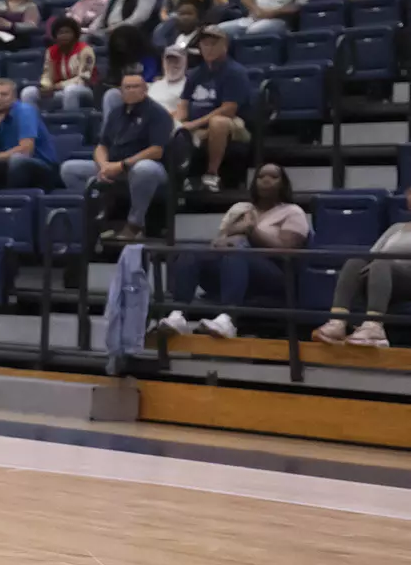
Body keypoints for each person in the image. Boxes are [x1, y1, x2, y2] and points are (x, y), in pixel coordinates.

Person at [158, 165, 309, 338]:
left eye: (273, 177)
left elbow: (286, 250)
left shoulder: (293, 211)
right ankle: (178, 314)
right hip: (232, 266)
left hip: (273, 275)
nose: (266, 180)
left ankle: (227, 319)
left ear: (283, 183)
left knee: (237, 253)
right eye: (261, 177)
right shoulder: (242, 209)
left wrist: (251, 232)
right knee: (192, 251)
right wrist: (226, 238)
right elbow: (219, 241)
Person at [60, 72, 171, 241]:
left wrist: (122, 165)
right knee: (69, 170)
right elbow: (101, 145)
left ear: (145, 90)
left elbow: (156, 150)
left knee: (144, 169)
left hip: (149, 169)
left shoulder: (157, 113)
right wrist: (104, 165)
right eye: (127, 87)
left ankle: (135, 225)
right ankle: (99, 218)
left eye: (136, 87)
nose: (131, 90)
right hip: (114, 166)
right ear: (121, 91)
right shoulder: (116, 113)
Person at [313, 186, 411, 348]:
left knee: (381, 263)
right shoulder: (396, 228)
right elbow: (373, 254)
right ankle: (337, 323)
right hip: (384, 275)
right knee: (356, 262)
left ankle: (374, 327)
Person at [173, 26, 252, 193]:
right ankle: (176, 178)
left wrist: (193, 125)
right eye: (205, 44)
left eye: (214, 43)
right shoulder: (194, 73)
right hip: (198, 124)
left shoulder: (235, 72)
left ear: (225, 46)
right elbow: (184, 103)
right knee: (166, 120)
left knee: (218, 122)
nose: (209, 48)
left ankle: (212, 174)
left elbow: (228, 109)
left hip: (234, 124)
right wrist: (179, 123)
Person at [0, 78, 59, 190]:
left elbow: (26, 150)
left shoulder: (25, 111)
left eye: (4, 95)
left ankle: (13, 198)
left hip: (43, 167)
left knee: (17, 160)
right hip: (11, 163)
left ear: (14, 98)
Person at [23, 17, 96, 110]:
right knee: (28, 92)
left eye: (68, 32)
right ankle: (31, 119)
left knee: (70, 90)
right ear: (55, 36)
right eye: (61, 33)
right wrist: (46, 87)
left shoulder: (85, 50)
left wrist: (58, 86)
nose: (64, 36)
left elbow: (84, 78)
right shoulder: (51, 51)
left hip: (84, 90)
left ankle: (70, 119)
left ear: (75, 34)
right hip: (58, 90)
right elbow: (47, 75)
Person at [99, 23, 160, 121]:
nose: (120, 45)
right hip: (124, 91)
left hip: (148, 90)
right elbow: (114, 79)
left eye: (122, 42)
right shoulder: (117, 58)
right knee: (110, 95)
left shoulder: (148, 55)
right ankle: (110, 128)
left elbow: (150, 76)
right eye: (117, 43)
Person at [158, 0, 206, 71]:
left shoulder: (203, 37)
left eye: (189, 14)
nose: (185, 17)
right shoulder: (172, 37)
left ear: (197, 17)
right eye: (182, 14)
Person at [147, 46, 189, 112]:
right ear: (163, 62)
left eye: (176, 61)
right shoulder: (154, 85)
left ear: (185, 62)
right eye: (169, 61)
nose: (172, 65)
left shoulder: (188, 86)